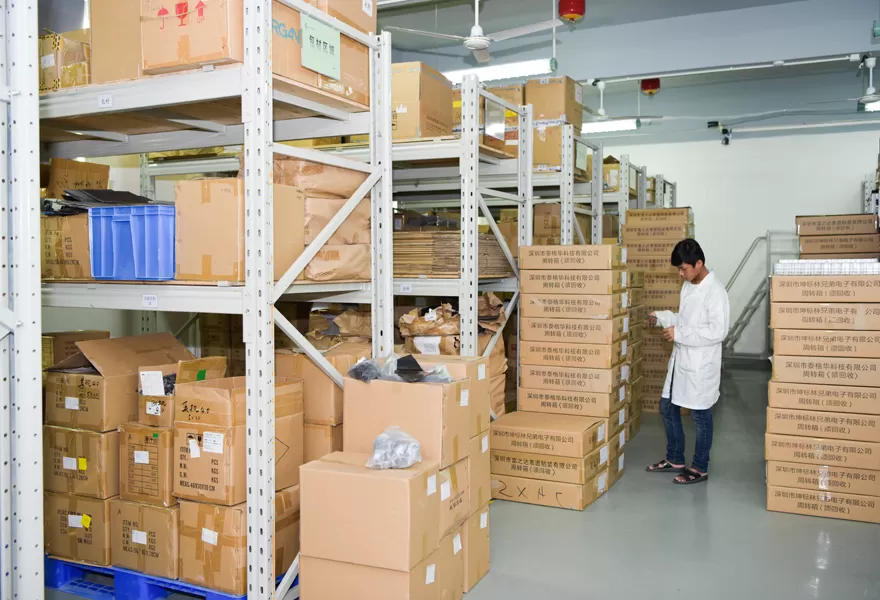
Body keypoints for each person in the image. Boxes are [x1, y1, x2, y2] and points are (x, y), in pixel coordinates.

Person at [644, 238, 730, 485]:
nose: (680, 274)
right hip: (681, 361)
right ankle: (675, 458)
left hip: (700, 366)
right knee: (667, 407)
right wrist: (662, 317)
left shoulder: (716, 292)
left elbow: (718, 331)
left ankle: (700, 467)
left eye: (683, 269)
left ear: (698, 263)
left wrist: (680, 334)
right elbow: (685, 319)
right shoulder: (689, 286)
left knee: (701, 416)